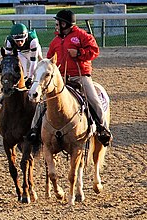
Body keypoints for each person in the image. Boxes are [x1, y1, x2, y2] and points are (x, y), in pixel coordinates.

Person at [46, 9, 112, 146]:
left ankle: (103, 130)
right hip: (61, 79)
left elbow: (94, 51)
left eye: (58, 22)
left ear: (64, 24)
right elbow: (49, 59)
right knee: (42, 103)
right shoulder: (55, 41)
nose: (56, 25)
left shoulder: (82, 35)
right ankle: (35, 130)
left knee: (94, 101)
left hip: (80, 76)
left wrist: (79, 53)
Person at [4, 23, 43, 88]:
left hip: (32, 51)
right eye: (17, 41)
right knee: (23, 71)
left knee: (40, 62)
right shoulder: (9, 41)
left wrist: (30, 78)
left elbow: (33, 61)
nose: (20, 43)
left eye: (22, 40)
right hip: (21, 52)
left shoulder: (33, 41)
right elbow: (8, 59)